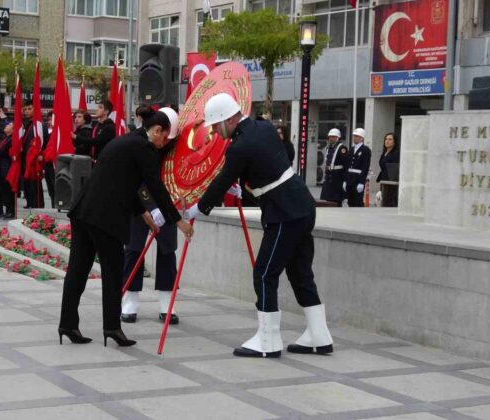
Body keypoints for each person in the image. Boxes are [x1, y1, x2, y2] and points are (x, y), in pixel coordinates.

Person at [185, 93, 334, 358]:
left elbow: (223, 179)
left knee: (264, 273)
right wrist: (246, 187)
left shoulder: (238, 146)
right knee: (300, 272)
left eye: (217, 126)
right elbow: (265, 164)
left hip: (283, 212)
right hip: (300, 204)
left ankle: (268, 340)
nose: (217, 133)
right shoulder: (263, 127)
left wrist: (200, 207)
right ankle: (318, 335)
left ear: (230, 119)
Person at [59, 108, 194, 348]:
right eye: (165, 137)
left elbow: (124, 183)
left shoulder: (125, 141)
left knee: (77, 271)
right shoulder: (145, 149)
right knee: (113, 274)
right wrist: (179, 221)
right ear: (156, 131)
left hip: (84, 212)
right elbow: (156, 188)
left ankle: (68, 324)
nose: (165, 143)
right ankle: (112, 327)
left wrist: (143, 212)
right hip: (104, 219)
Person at [121, 107, 181, 325]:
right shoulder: (139, 143)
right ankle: (130, 301)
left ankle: (167, 303)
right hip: (140, 203)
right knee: (134, 250)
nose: (165, 144)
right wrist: (149, 208)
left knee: (168, 252)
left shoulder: (175, 145)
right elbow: (138, 181)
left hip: (167, 204)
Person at [320, 128, 348, 206]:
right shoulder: (329, 148)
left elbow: (346, 165)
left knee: (336, 200)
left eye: (333, 137)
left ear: (337, 137)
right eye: (330, 137)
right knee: (329, 201)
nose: (330, 138)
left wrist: (345, 180)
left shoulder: (342, 148)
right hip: (329, 177)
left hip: (337, 178)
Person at [344, 128, 371, 207]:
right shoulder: (352, 149)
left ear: (361, 138)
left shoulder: (365, 150)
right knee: (350, 201)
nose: (354, 138)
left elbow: (365, 167)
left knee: (358, 201)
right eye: (354, 136)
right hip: (350, 178)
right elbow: (347, 166)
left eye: (357, 136)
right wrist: (345, 180)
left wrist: (361, 182)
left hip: (358, 179)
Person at [0, 122, 14, 219]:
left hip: (8, 167)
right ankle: (6, 210)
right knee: (4, 190)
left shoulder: (12, 139)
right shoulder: (5, 138)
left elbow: (3, 152)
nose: (6, 126)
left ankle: (10, 210)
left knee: (8, 190)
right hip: (2, 167)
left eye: (8, 125)